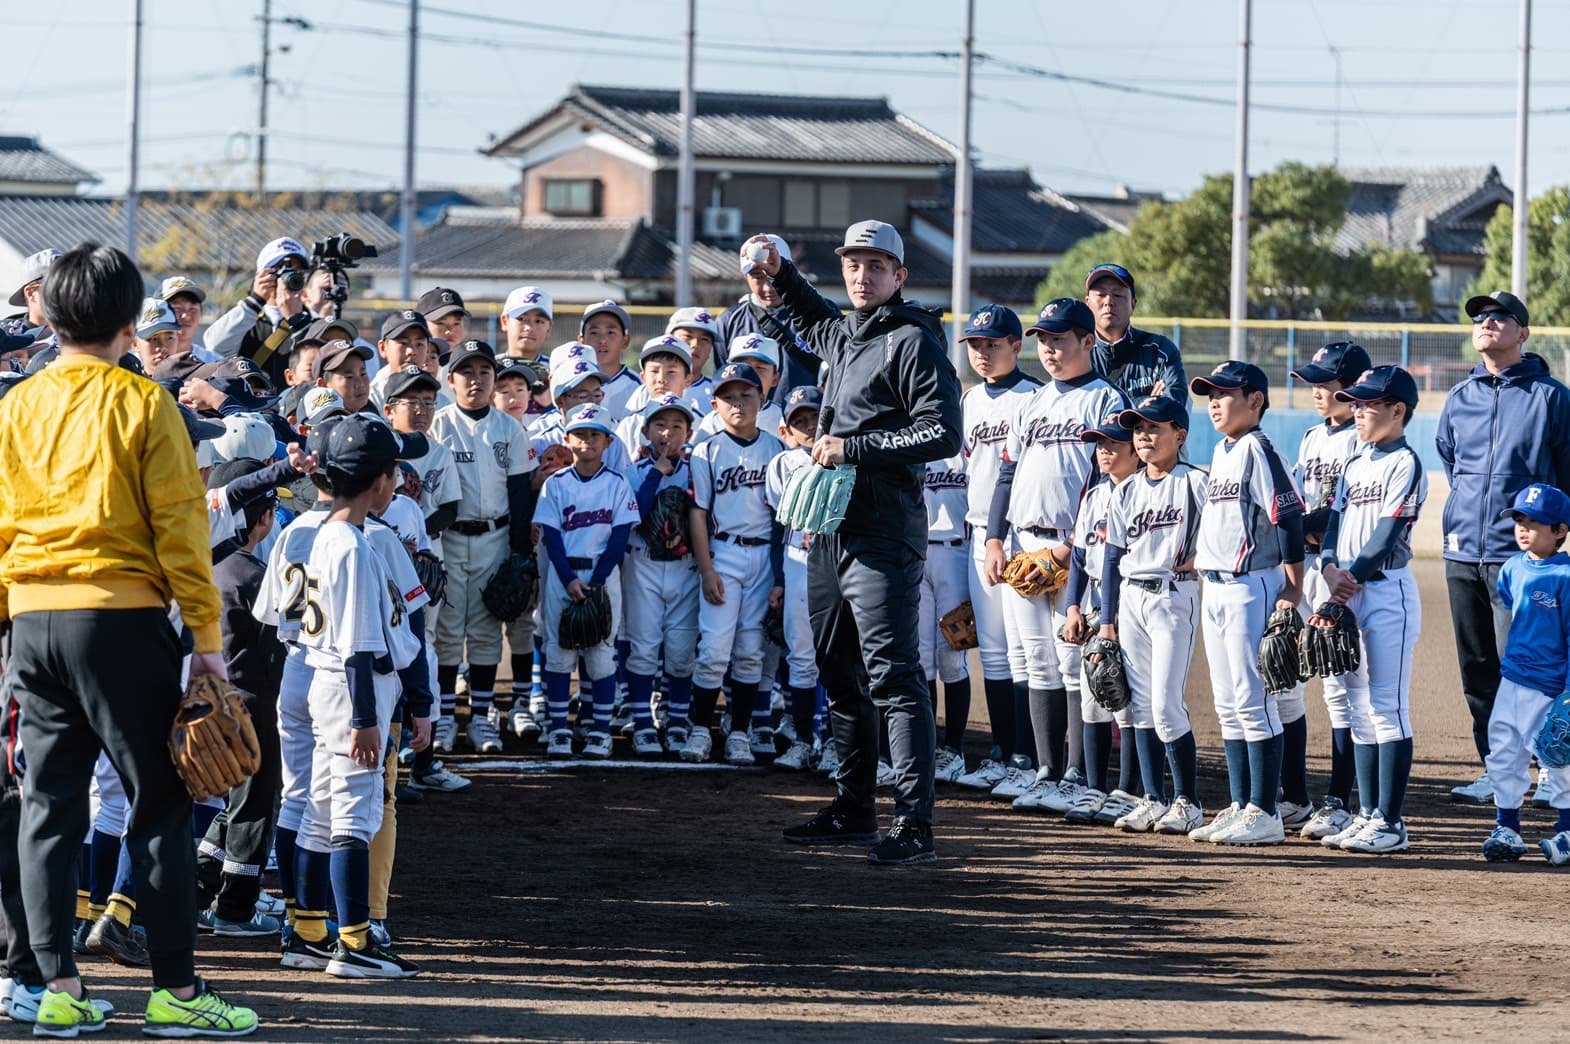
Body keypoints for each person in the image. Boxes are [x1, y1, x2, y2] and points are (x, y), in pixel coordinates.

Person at [0, 243, 257, 1036]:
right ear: (126, 320)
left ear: (46, 312)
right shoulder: (142, 402)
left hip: (32, 622)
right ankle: (176, 993)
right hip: (117, 617)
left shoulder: (18, 404)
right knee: (162, 801)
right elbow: (182, 527)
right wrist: (206, 641)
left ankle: (57, 989)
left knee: (47, 808)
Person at [756, 220, 964, 866]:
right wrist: (776, 275)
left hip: (883, 528)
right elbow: (811, 312)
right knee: (838, 672)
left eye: (876, 265)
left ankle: (914, 822)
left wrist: (856, 446)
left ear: (899, 276)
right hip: (832, 528)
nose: (861, 275)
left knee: (895, 677)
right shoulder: (846, 335)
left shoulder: (913, 340)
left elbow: (943, 432)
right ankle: (854, 807)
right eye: (853, 263)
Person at [291, 414, 427, 978]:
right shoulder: (350, 545)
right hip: (354, 689)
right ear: (377, 481)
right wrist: (366, 720)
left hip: (328, 685)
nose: (396, 482)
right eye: (392, 472)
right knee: (353, 813)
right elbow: (358, 646)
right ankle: (355, 943)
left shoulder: (330, 533)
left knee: (320, 813)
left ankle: (306, 933)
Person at [985, 299, 1128, 814]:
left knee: (1073, 662)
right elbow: (1006, 475)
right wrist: (996, 539)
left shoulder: (1106, 400)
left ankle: (1076, 773)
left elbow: (1110, 477)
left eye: (1060, 338)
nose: (1049, 347)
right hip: (1024, 542)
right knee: (1037, 662)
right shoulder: (1033, 402)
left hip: (1076, 547)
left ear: (1088, 342)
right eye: (1043, 339)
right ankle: (1046, 770)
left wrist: (1074, 547)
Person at [1437, 290, 1570, 804]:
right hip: (1462, 552)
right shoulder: (1459, 397)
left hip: (1522, 559)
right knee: (1477, 671)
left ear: (1523, 333)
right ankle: (1497, 770)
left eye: (1500, 317)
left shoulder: (1551, 397)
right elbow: (1453, 464)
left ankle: (1549, 772)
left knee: (1530, 669)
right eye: (1480, 317)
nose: (1487, 323)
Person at [1187, 361, 1305, 847]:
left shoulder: (1258, 448)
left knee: (1254, 700)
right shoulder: (1222, 448)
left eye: (1225, 393)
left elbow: (1288, 515)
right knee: (1228, 702)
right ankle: (1241, 804)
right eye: (1209, 394)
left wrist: (1293, 589)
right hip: (1215, 587)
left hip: (1249, 585)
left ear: (1255, 400)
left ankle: (1265, 809)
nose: (1214, 402)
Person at [1315, 365, 1426, 854]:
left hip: (1386, 593)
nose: (1357, 410)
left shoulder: (1406, 463)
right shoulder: (1357, 462)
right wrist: (1327, 567)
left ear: (1397, 410)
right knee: (1358, 707)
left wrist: (1348, 580)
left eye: (1368, 403)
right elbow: (1335, 523)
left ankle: (1391, 821)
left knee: (1387, 706)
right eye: (1354, 403)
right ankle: (1366, 814)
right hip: (1347, 588)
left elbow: (1386, 536)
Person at [1095, 396, 1207, 834]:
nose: (1143, 435)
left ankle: (1188, 802)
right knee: (1138, 707)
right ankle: (1153, 798)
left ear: (1179, 434)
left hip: (1173, 596)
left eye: (1154, 427)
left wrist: (1206, 554)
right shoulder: (1125, 490)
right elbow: (1110, 557)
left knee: (1165, 705)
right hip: (1132, 599)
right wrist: (1107, 620)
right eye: (1137, 428)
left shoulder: (1196, 482)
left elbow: (1230, 528)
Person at [428, 340, 536, 755]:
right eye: (467, 372)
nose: (476, 380)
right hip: (449, 538)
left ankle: (480, 721)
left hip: (495, 537)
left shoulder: (508, 427)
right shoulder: (439, 424)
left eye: (484, 372)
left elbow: (519, 496)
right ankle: (441, 720)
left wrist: (519, 553)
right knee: (448, 633)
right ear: (450, 379)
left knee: (488, 631)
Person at [679, 363, 786, 765]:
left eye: (746, 395)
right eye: (729, 397)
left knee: (750, 651)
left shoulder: (776, 450)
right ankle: (700, 729)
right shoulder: (707, 450)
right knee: (714, 649)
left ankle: (738, 731)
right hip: (723, 552)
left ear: (762, 399)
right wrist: (706, 569)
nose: (738, 404)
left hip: (763, 556)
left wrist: (778, 574)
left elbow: (782, 517)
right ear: (714, 404)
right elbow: (697, 514)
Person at [953, 306, 1038, 791]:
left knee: (1028, 652)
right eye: (976, 345)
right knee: (995, 653)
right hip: (977, 536)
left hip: (1020, 538)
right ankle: (1005, 753)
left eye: (993, 344)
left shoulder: (1032, 398)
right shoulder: (969, 401)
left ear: (1016, 346)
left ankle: (1029, 755)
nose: (982, 353)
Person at [1288, 341, 1371, 840]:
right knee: (1327, 686)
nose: (1317, 390)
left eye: (1326, 382)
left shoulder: (1361, 441)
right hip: (1315, 567)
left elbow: (1342, 513)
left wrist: (1304, 525)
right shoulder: (1311, 438)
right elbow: (1300, 504)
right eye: (1314, 382)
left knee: (1351, 687)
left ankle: (1351, 799)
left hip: (1346, 576)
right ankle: (1332, 796)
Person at [534, 404, 639, 757]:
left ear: (608, 441)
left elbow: (620, 538)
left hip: (601, 575)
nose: (588, 440)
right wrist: (567, 579)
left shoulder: (617, 483)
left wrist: (594, 581)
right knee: (559, 654)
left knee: (601, 656)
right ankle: (560, 729)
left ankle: (599, 730)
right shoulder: (555, 484)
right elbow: (550, 535)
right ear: (567, 439)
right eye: (580, 434)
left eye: (595, 434)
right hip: (562, 576)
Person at [1479, 483, 1570, 864]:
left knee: (1559, 755)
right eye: (1519, 519)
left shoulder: (1565, 576)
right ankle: (1507, 827)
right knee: (1502, 752)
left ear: (1560, 531)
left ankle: (1566, 830)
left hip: (1551, 685)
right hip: (1513, 679)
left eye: (1535, 522)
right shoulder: (1513, 568)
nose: (1523, 528)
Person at [1061, 416, 1142, 825]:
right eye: (1099, 444)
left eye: (1113, 443)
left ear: (1135, 450)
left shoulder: (1140, 492)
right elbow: (1078, 557)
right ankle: (1095, 788)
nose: (1104, 451)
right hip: (1094, 601)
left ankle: (1127, 789)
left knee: (1124, 699)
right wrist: (1072, 607)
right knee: (1092, 695)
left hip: (1128, 602)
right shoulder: (1093, 494)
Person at [623, 394, 700, 756]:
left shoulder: (698, 469)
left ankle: (677, 722)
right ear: (645, 431)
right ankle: (642, 724)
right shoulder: (634, 471)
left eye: (677, 426)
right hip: (643, 565)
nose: (667, 433)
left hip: (685, 568)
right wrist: (657, 472)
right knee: (643, 648)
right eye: (660, 425)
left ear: (689, 432)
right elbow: (633, 513)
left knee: (682, 653)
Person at [766, 386, 825, 772]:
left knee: (839, 659)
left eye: (814, 418)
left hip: (836, 562)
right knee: (802, 656)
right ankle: (804, 739)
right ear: (787, 428)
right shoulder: (783, 463)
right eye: (799, 420)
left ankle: (837, 742)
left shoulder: (844, 456)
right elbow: (778, 523)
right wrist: (778, 579)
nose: (808, 426)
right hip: (796, 559)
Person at [715, 234, 823, 406]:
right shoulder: (728, 322)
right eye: (758, 277)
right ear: (744, 276)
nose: (768, 287)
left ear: (789, 268)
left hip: (802, 423)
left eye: (772, 275)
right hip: (749, 424)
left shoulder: (815, 314)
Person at [204, 237, 315, 388]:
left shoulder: (313, 323)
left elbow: (318, 364)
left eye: (297, 271)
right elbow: (214, 346)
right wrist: (254, 301)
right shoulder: (245, 320)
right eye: (279, 270)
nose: (288, 276)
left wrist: (296, 320)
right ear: (260, 275)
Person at [1083, 263, 1187, 407]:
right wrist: (1145, 403)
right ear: (1087, 303)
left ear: (1133, 304)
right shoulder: (1076, 352)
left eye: (1117, 294)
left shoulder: (1160, 351)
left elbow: (1173, 409)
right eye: (1101, 294)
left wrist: (1102, 407)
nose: (1109, 301)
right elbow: (1070, 411)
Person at [579, 301, 639, 420]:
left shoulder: (638, 387)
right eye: (594, 333)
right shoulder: (570, 383)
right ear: (581, 341)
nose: (603, 340)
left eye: (611, 332)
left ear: (625, 341)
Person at [157, 277, 217, 362]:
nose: (186, 316)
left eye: (193, 309)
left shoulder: (214, 363)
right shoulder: (139, 362)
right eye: (177, 308)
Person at [501, 286, 553, 364]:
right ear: (505, 322)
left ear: (548, 328)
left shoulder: (557, 372)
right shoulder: (488, 368)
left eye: (538, 321)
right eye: (521, 319)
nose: (529, 328)